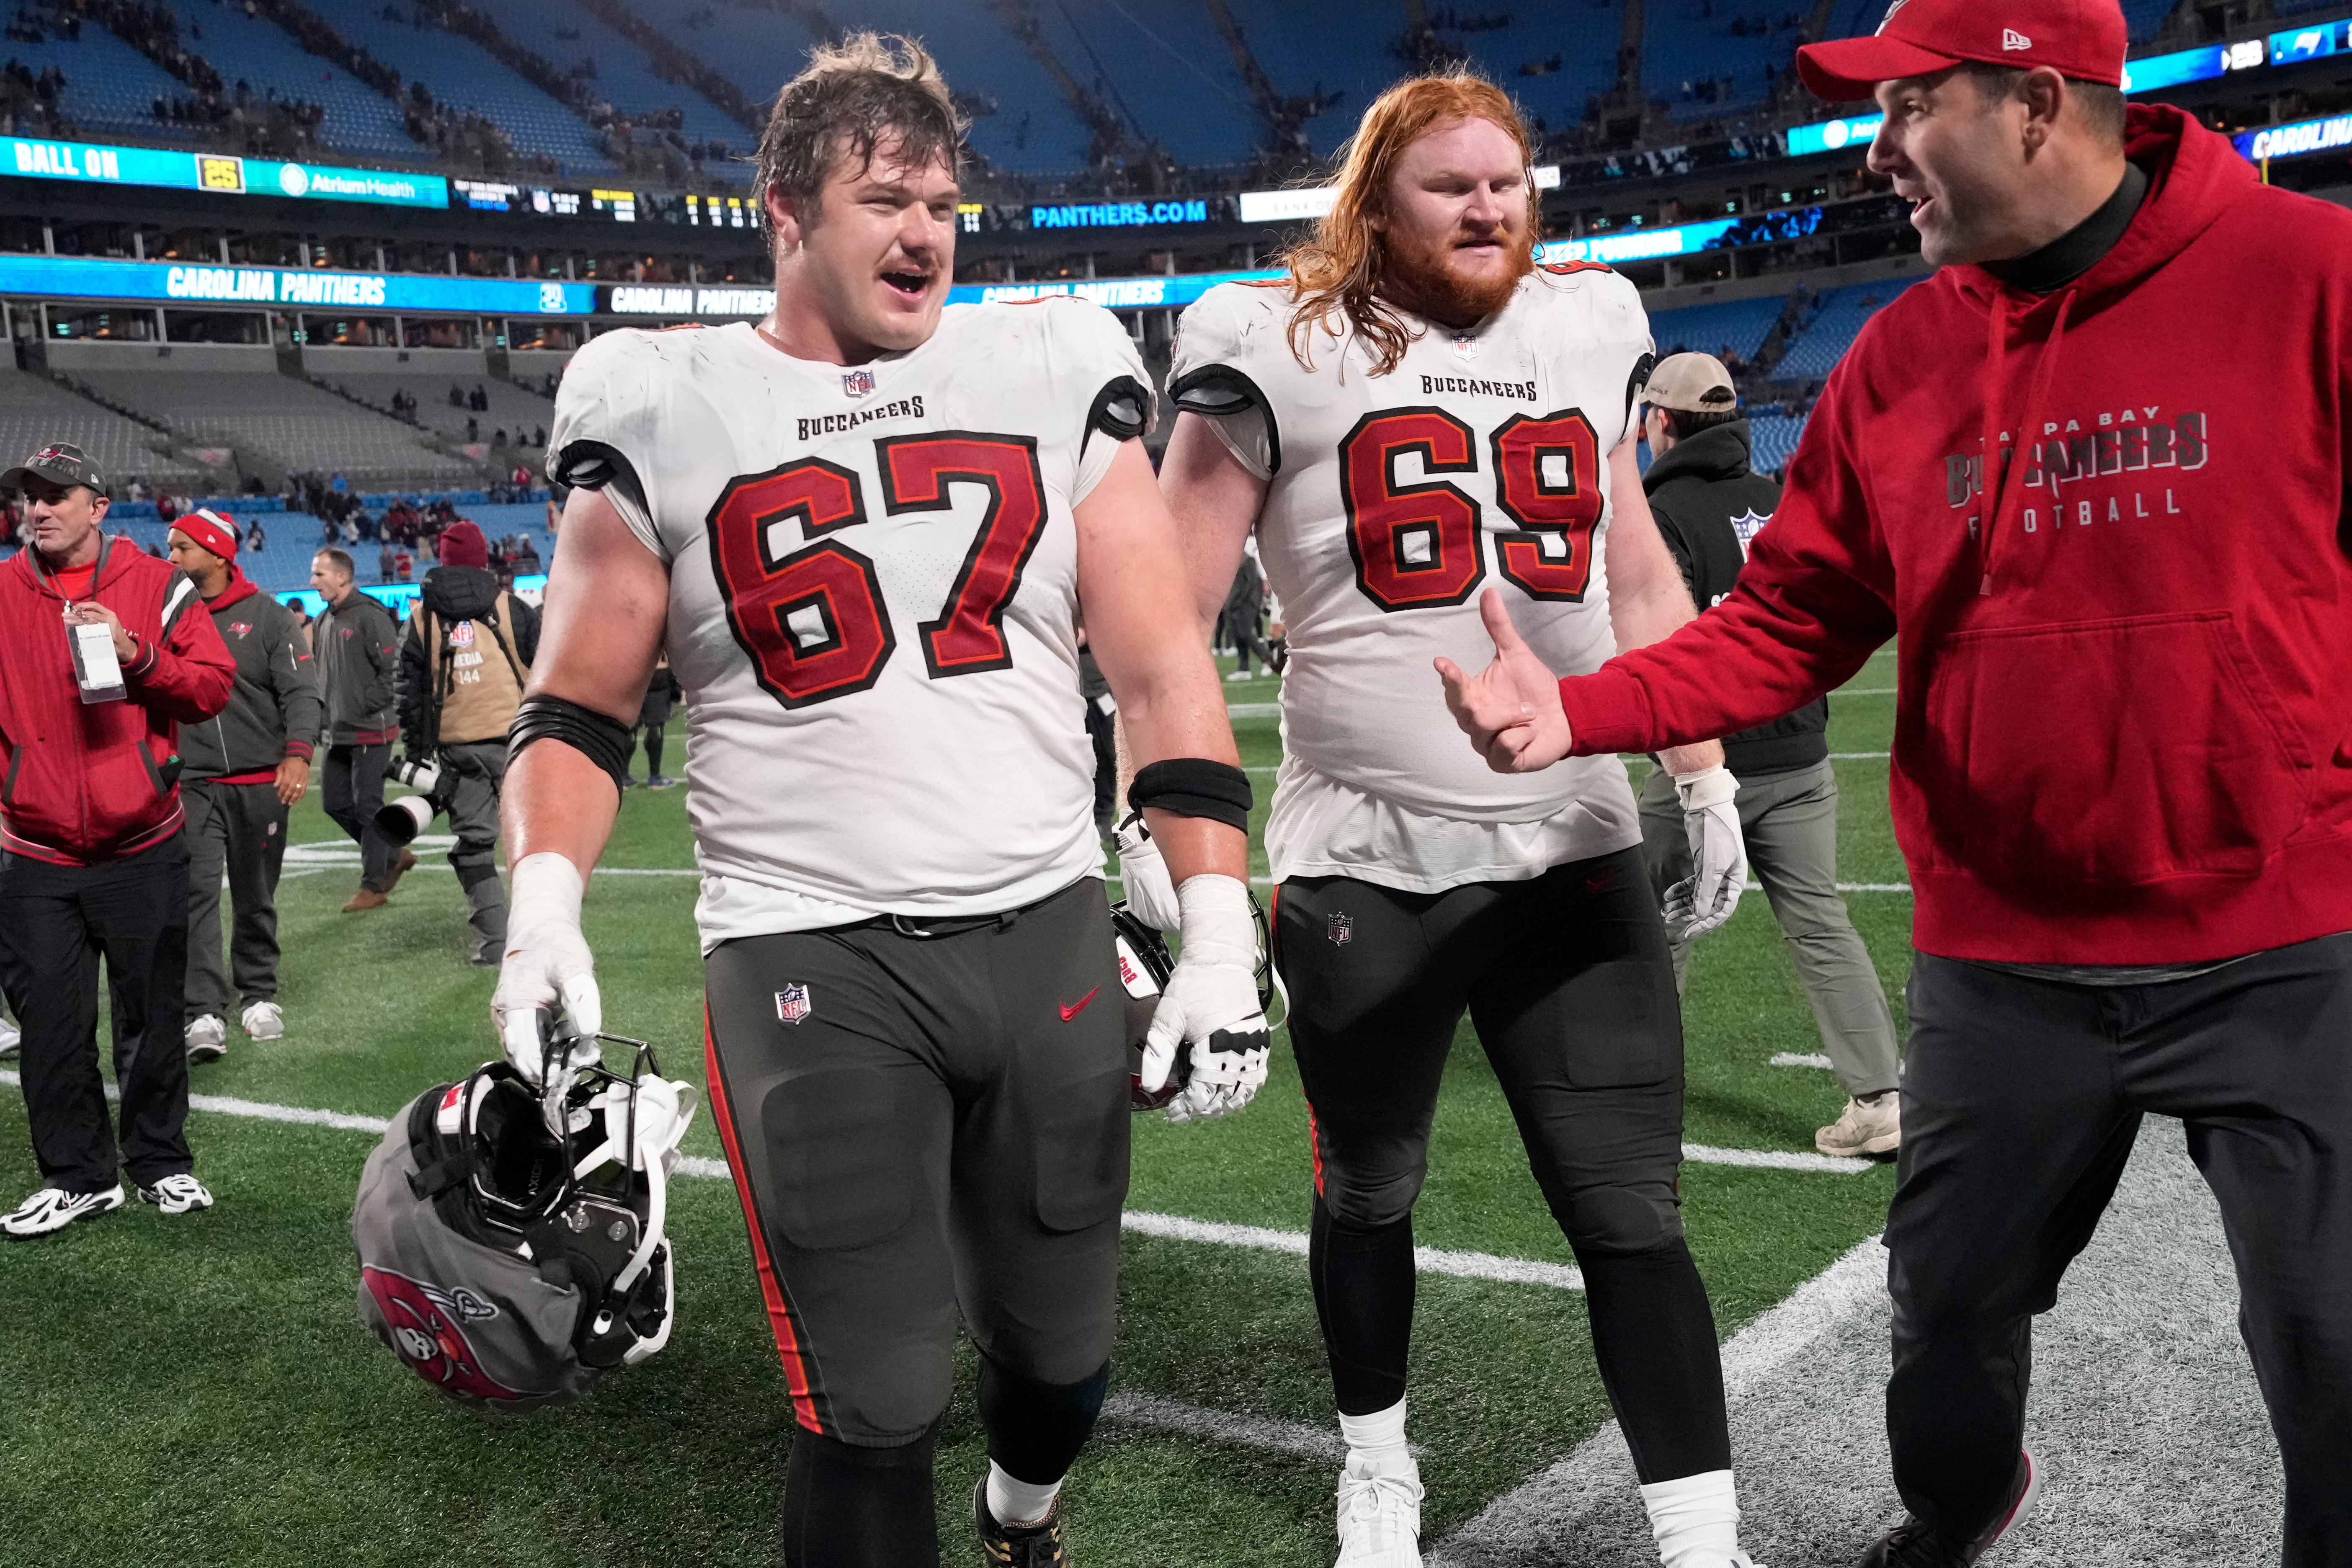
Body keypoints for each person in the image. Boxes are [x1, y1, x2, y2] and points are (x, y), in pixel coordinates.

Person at [1436, 1, 2352, 1560]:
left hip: (2279, 938)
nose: (1873, 152)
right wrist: (1579, 709)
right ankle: (1958, 1504)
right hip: (2005, 956)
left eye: (1908, 106)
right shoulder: (1897, 357)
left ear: (2036, 105)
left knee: (2331, 1346)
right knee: (1938, 1323)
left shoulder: (2309, 280)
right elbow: (1789, 621)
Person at [510, 34, 1263, 1568]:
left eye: (941, 200)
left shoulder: (1050, 365)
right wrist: (540, 910)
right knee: (874, 1395)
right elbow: (578, 703)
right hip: (810, 953)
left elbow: (1161, 663)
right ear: (784, 213)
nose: (923, 230)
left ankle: (1019, 1515)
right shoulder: (660, 393)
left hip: (1042, 929)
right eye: (882, 199)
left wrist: (1212, 921)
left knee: (1058, 1358)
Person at [1159, 68, 1760, 1568]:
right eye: (1450, 183)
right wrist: (1160, 831)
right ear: (1376, 200)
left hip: (1572, 836)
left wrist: (1697, 767)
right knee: (1368, 1188)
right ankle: (1378, 1467)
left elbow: (1629, 568)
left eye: (1506, 179)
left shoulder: (1590, 323)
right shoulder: (1272, 341)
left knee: (1630, 1207)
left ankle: (1701, 1541)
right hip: (1365, 853)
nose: (1487, 203)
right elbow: (1164, 607)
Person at [1632, 353, 1902, 1158]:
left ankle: (1643, 1099)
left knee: (1650, 925)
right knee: (1820, 923)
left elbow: (1667, 642)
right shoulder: (1775, 498)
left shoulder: (1659, 514)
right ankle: (1881, 1096)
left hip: (1705, 762)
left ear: (1663, 425)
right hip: (1800, 753)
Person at [0, 442, 233, 1237]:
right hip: (34, 852)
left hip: (143, 842)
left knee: (152, 1015)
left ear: (98, 507)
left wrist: (139, 656)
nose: (37, 508)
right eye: (29, 496)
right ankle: (77, 1175)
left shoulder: (157, 584)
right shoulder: (0, 591)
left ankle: (160, 1161)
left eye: (56, 495)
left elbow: (211, 686)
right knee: (52, 1026)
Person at [165, 510, 320, 1062]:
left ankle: (258, 995)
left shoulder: (270, 618)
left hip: (261, 783)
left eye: (183, 548)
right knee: (195, 896)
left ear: (217, 553)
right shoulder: (167, 616)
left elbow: (302, 694)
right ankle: (204, 1010)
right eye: (170, 547)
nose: (173, 557)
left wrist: (298, 755)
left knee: (257, 895)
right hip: (192, 783)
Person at [394, 519, 536, 965]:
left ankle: (496, 943)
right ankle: (543, 931)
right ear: (483, 558)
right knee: (537, 842)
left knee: (475, 844)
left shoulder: (421, 619)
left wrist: (418, 753)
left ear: (443, 558)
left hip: (458, 747)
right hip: (520, 740)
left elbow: (408, 692)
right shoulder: (514, 608)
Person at [311, 547, 412, 913]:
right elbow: (322, 678)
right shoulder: (323, 621)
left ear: (342, 576)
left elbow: (394, 671)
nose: (313, 581)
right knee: (334, 804)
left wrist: (366, 705)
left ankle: (374, 886)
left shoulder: (371, 616)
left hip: (371, 729)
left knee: (368, 807)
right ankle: (394, 853)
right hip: (337, 732)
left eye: (320, 574)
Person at [626, 653, 679, 789]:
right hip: (660, 672)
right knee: (655, 728)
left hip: (634, 670)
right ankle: (655, 778)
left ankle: (623, 777)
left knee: (631, 728)